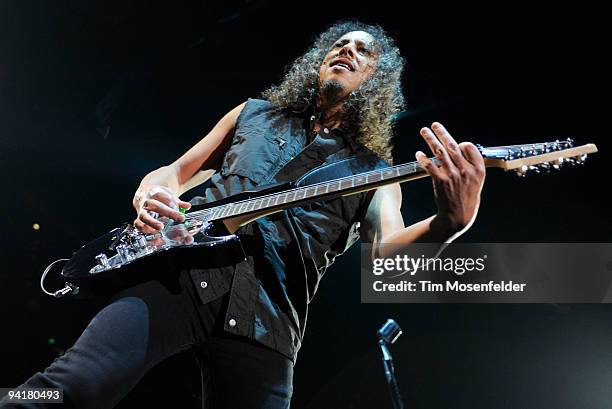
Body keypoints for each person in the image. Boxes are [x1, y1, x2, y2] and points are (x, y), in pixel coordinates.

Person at [1, 20, 485, 409]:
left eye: (362, 52)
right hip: (180, 276)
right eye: (339, 44)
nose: (346, 51)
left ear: (376, 82)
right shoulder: (253, 113)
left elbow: (384, 255)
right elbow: (173, 172)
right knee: (68, 386)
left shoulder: (377, 171)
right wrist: (150, 195)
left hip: (269, 317)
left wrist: (449, 223)